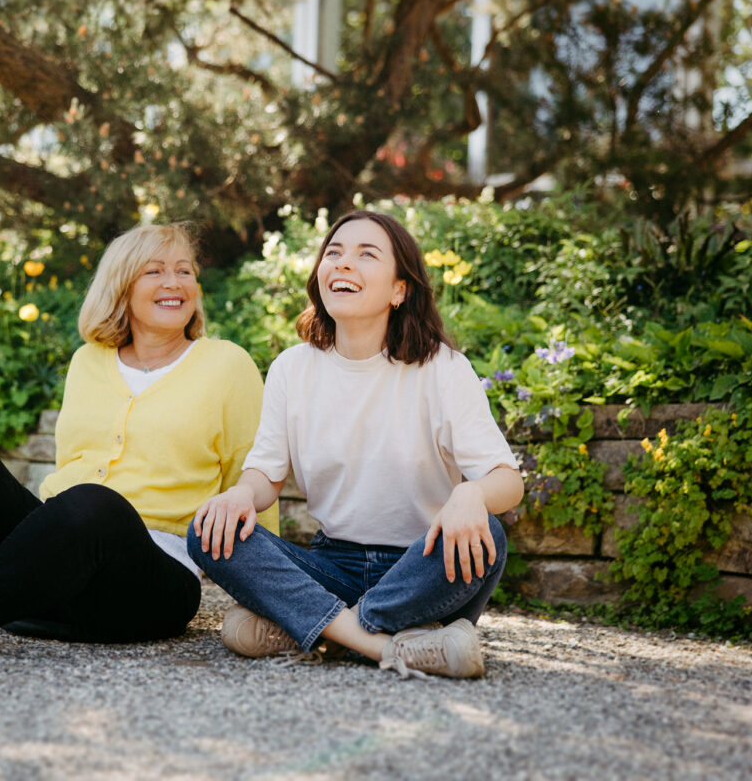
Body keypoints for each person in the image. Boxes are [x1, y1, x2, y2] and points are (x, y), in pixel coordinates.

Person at [0, 223, 276, 668]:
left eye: (185, 271)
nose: (174, 282)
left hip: (145, 586)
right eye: (154, 271)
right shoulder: (88, 362)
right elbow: (72, 471)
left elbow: (253, 475)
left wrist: (270, 598)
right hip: (41, 576)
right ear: (122, 288)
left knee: (95, 505)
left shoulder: (226, 365)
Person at [188, 210, 523, 679]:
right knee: (208, 532)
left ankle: (314, 630)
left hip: (422, 566)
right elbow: (265, 474)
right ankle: (400, 644)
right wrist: (239, 496)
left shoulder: (443, 369)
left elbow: (506, 481)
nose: (343, 264)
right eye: (334, 253)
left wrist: (471, 493)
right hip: (330, 563)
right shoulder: (292, 368)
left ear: (399, 290)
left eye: (367, 255)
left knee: (490, 535)